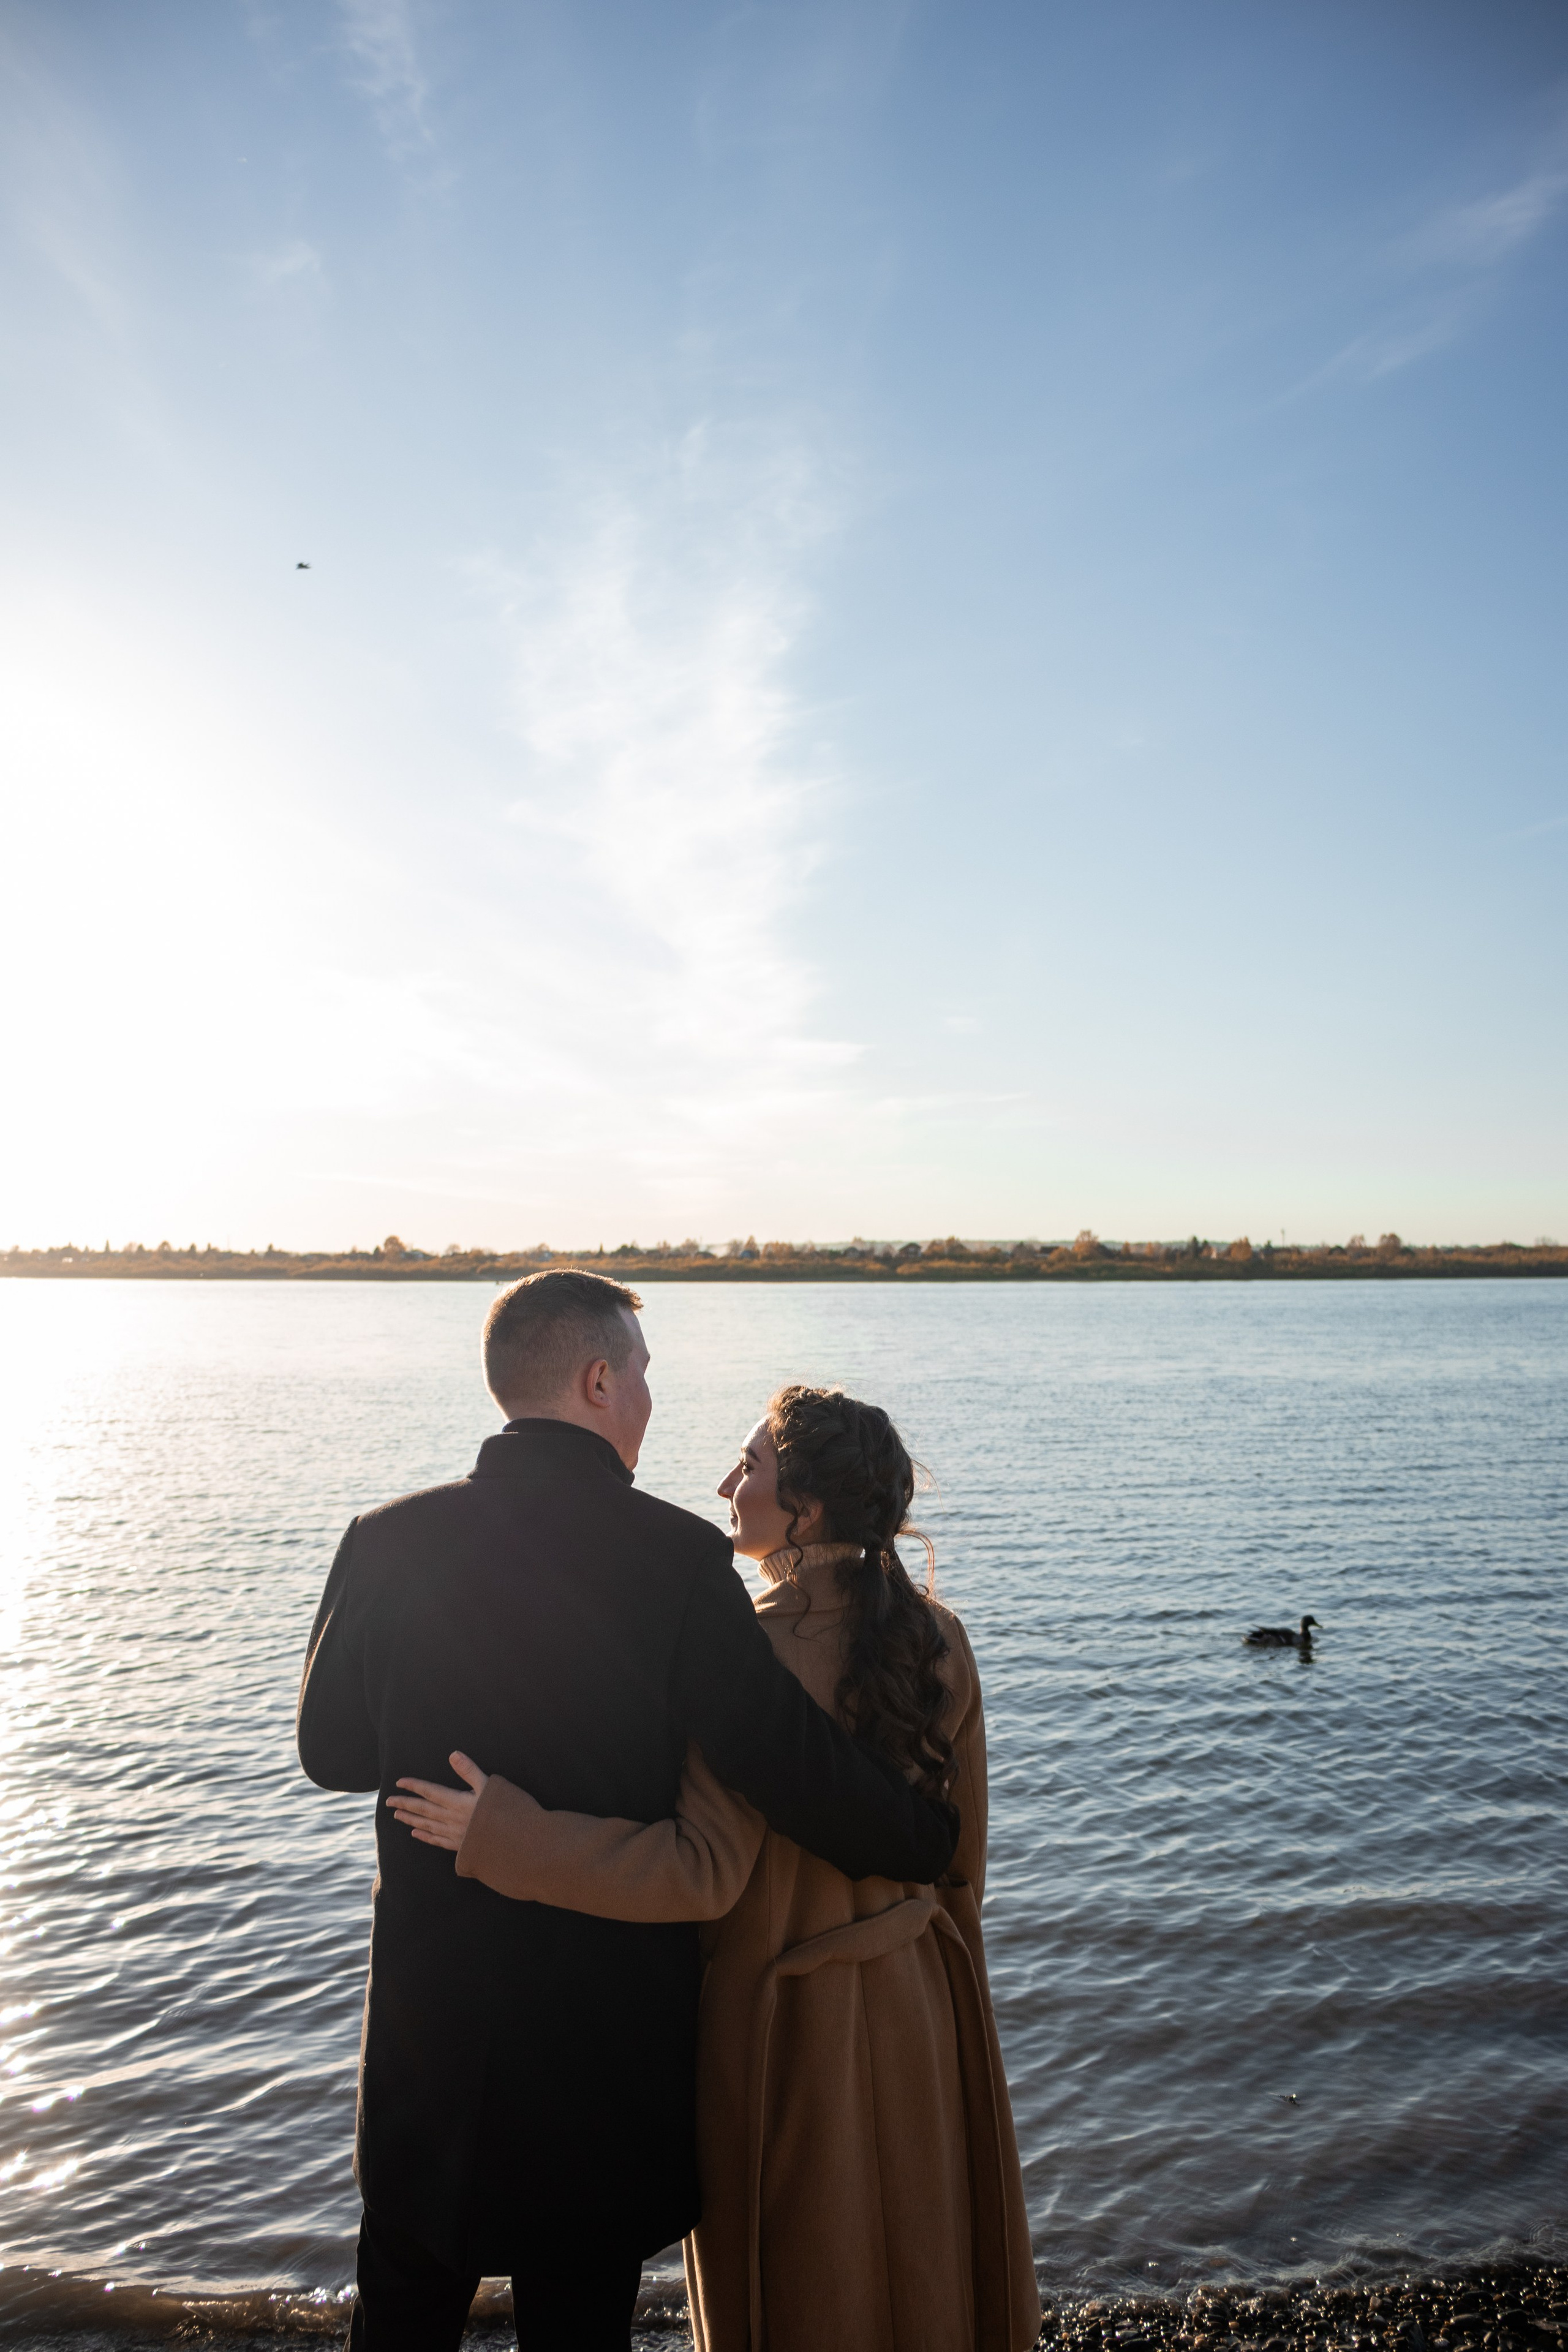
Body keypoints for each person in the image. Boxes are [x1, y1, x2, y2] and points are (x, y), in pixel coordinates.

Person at [296, 1274, 957, 2352]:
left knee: (402, 2322)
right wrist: (922, 1840)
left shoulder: (387, 1537)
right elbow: (779, 1760)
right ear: (599, 1380)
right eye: (642, 1374)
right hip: (597, 2056)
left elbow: (328, 1753)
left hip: (434, 2036)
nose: (649, 1399)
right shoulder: (676, 1561)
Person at [390, 1383, 1040, 2352]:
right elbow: (964, 1865)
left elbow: (700, 1873)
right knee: (923, 2278)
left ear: (806, 1508)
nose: (727, 1483)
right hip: (922, 2002)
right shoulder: (941, 1635)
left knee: (805, 2296)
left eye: (752, 1467)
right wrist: (954, 2012)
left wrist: (507, 1836)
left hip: (785, 2028)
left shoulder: (746, 1648)